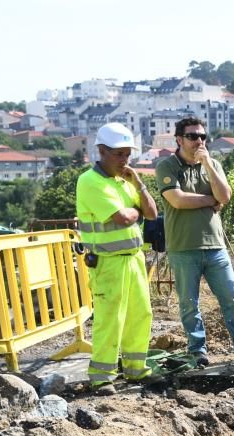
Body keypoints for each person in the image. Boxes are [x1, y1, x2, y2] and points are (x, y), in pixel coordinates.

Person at [154, 117, 234, 366]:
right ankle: (197, 351)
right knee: (189, 304)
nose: (199, 141)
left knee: (231, 300)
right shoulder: (167, 166)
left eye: (203, 137)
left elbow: (225, 195)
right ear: (180, 140)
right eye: (193, 136)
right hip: (183, 247)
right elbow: (178, 200)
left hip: (215, 246)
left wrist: (207, 164)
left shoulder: (212, 163)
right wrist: (209, 200)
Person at [76, 122, 159, 393]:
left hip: (133, 258)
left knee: (140, 314)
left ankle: (137, 369)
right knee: (110, 319)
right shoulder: (90, 181)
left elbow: (152, 213)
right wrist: (134, 207)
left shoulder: (124, 181)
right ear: (102, 151)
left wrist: (139, 186)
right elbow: (123, 218)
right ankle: (102, 377)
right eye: (119, 154)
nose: (124, 160)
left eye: (127, 154)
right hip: (108, 262)